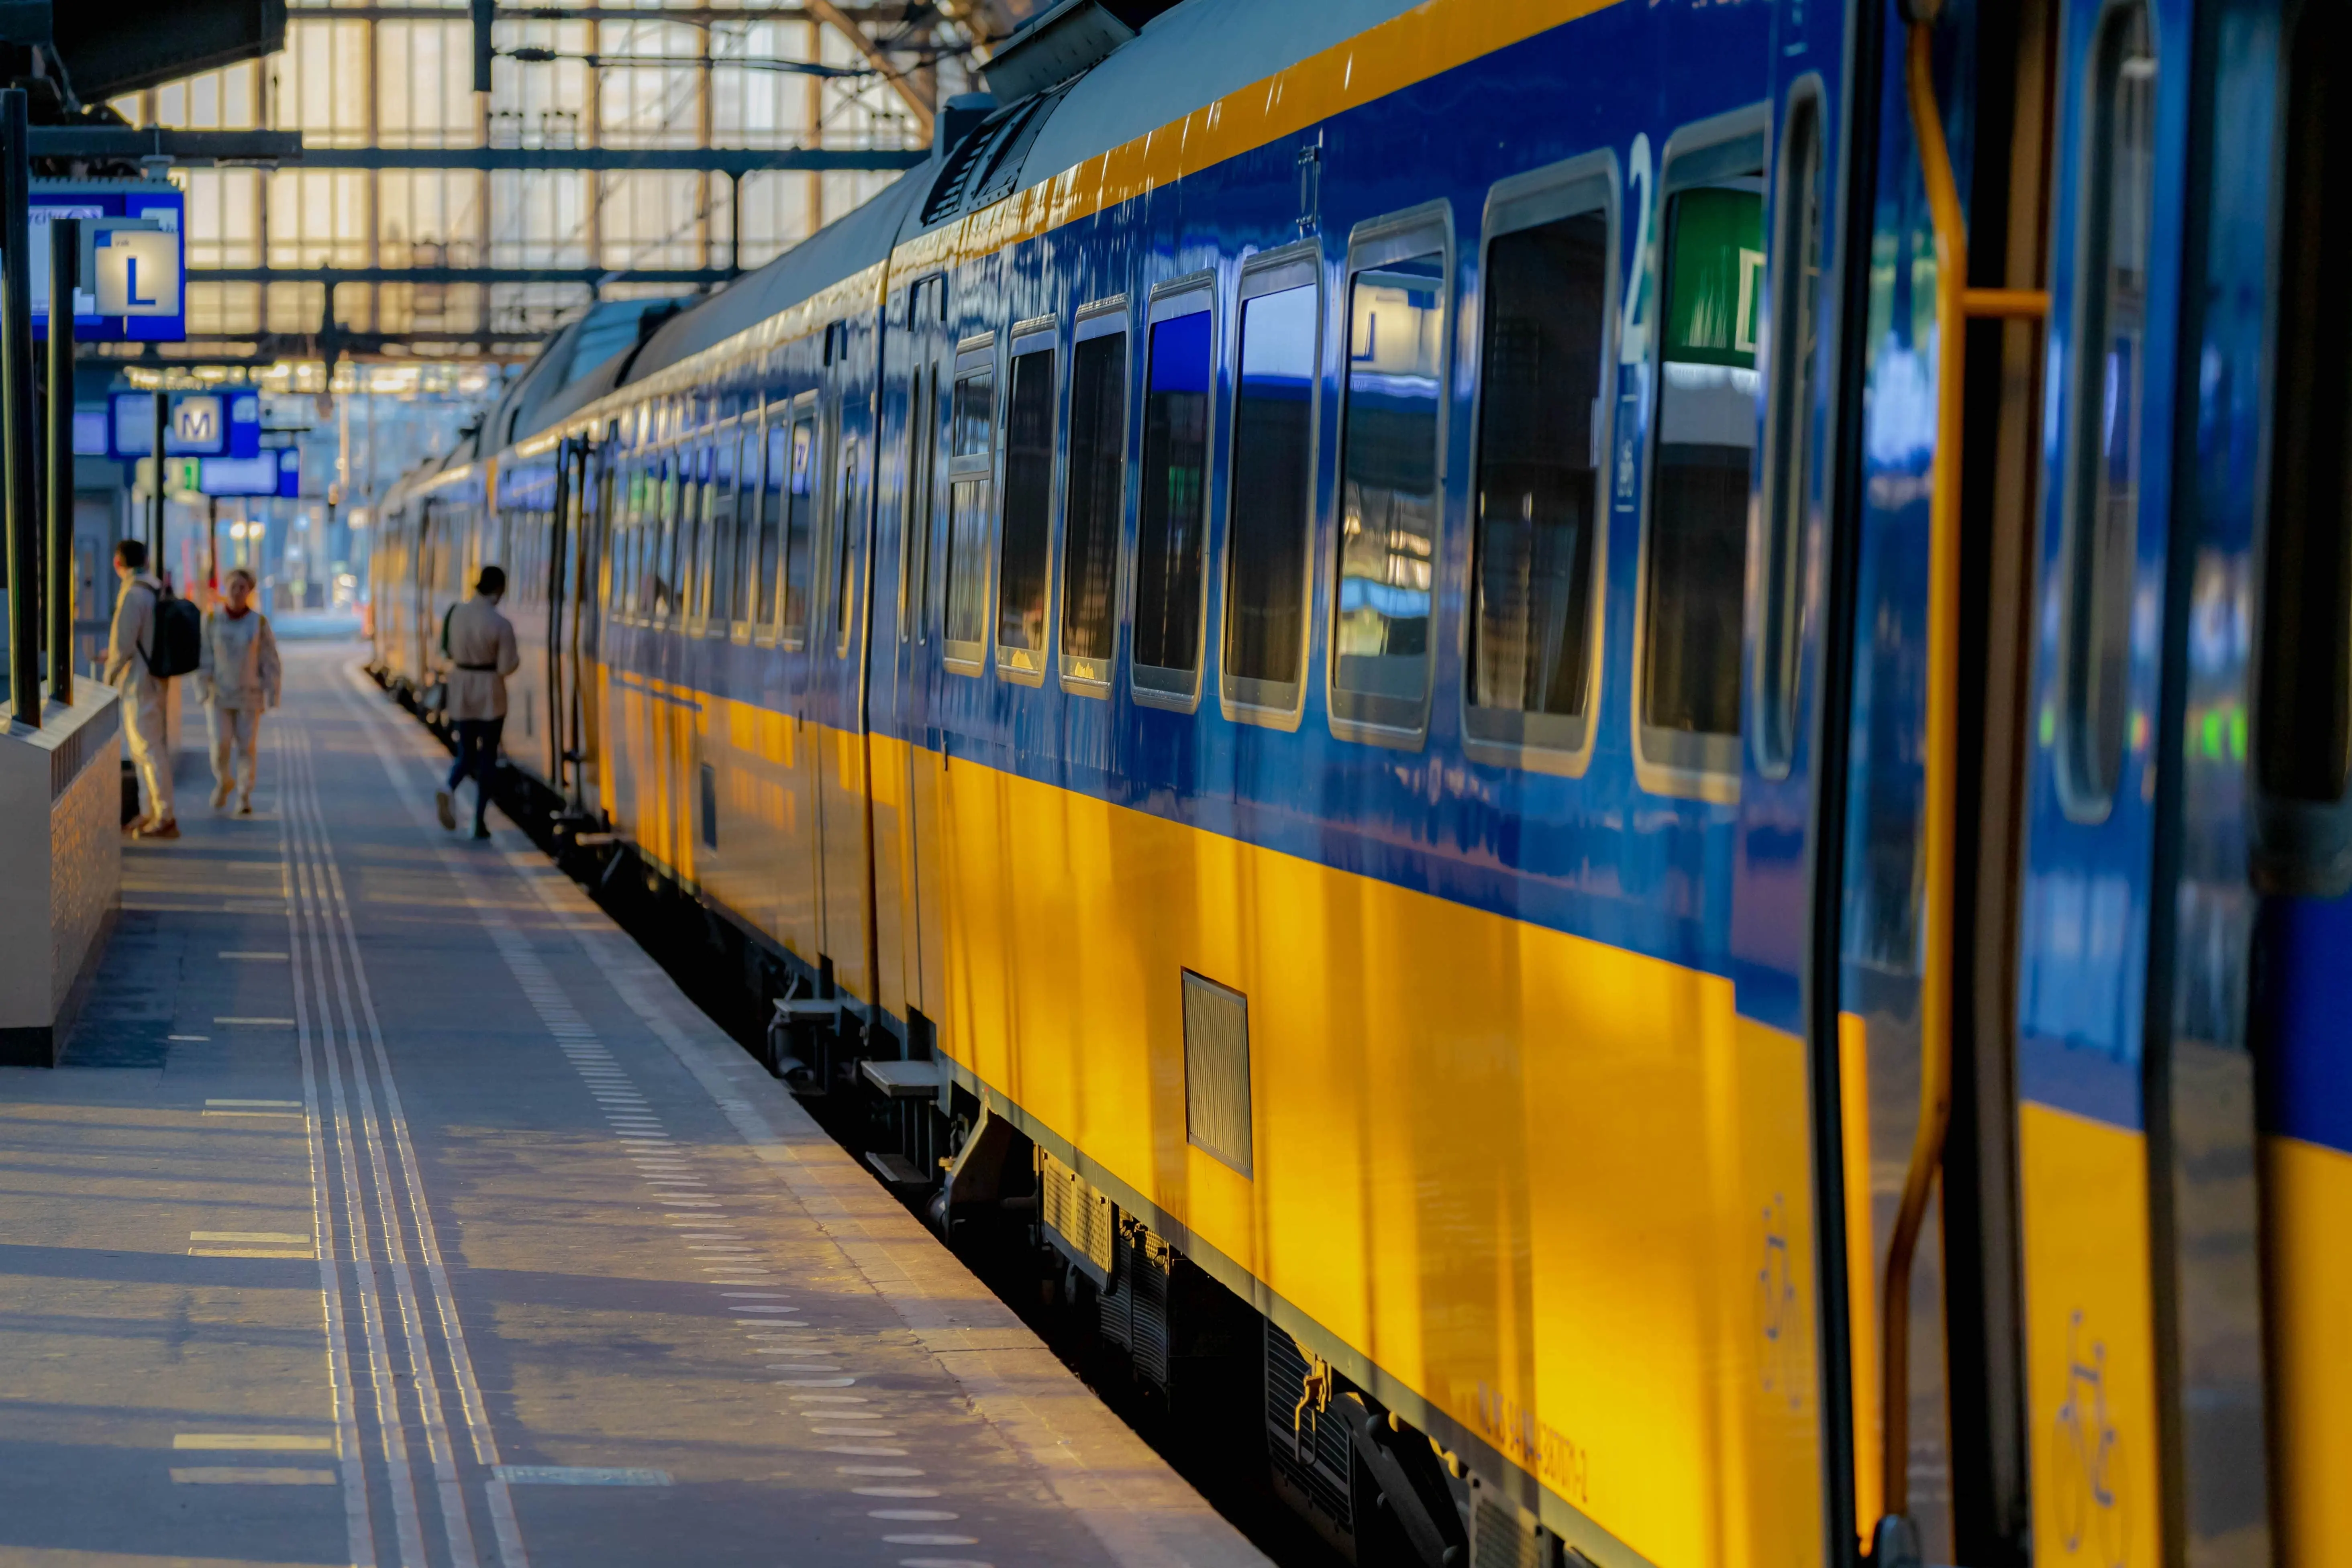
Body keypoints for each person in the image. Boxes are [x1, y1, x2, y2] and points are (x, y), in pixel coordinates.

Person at [437, 565, 518, 840]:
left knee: (465, 753)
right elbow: (507, 666)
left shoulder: (455, 613)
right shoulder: (500, 624)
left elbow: (446, 650)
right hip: (490, 694)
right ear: (498, 589)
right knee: (488, 759)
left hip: (461, 689)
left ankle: (449, 788)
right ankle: (479, 821)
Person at [104, 538, 177, 840]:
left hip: (139, 681)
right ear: (146, 560)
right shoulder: (155, 588)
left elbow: (123, 644)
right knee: (146, 749)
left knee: (148, 749)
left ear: (117, 563)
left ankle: (164, 816)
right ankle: (151, 812)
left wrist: (108, 675)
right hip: (154, 677)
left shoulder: (134, 594)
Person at [196, 567, 281, 816]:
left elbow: (270, 659)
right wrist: (202, 687)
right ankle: (224, 781)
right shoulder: (212, 620)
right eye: (233, 586)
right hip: (219, 695)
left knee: (247, 747)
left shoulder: (259, 623)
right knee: (220, 744)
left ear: (250, 592)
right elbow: (204, 655)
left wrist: (272, 691)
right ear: (226, 587)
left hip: (249, 696)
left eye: (243, 588)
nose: (237, 592)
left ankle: (244, 794)